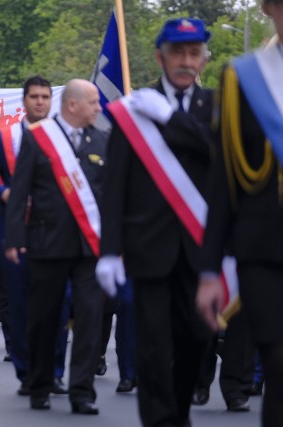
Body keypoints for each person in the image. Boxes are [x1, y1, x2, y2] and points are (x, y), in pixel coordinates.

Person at [97, 18, 214, 426]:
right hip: (148, 249)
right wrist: (108, 251)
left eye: (194, 53)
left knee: (196, 341)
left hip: (203, 249)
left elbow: (217, 156)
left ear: (203, 58)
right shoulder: (135, 108)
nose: (186, 61)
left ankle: (177, 412)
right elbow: (114, 186)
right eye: (178, 52)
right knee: (151, 347)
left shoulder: (215, 106)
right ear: (160, 56)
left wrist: (170, 118)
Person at [197, 2, 283, 424]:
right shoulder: (244, 79)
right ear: (269, 9)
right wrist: (210, 271)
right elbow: (223, 182)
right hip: (265, 253)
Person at [5, 79, 108, 412]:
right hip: (47, 243)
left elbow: (110, 195)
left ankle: (82, 391)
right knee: (44, 318)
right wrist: (15, 239)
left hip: (90, 248)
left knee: (91, 319)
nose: (99, 108)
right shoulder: (39, 139)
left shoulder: (103, 140)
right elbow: (20, 191)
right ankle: (40, 384)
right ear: (73, 105)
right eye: (93, 102)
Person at [0, 75, 70, 394]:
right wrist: (6, 194)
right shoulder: (6, 139)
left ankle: (55, 371)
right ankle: (27, 373)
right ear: (25, 100)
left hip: (55, 236)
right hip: (14, 235)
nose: (41, 101)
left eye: (46, 96)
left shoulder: (63, 137)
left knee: (58, 306)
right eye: (35, 96)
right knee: (18, 308)